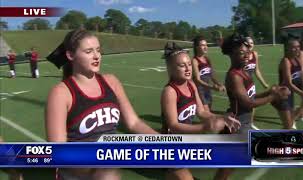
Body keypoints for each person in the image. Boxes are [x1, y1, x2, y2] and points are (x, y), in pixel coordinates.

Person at [45, 29, 158, 180]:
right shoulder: (61, 93)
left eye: (98, 50)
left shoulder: (111, 82)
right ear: (70, 55)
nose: (96, 56)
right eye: (89, 51)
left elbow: (134, 123)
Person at [161, 42, 240, 180]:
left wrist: (221, 118)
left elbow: (202, 112)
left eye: (189, 64)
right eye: (182, 65)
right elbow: (173, 126)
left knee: (233, 157)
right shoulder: (170, 91)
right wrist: (204, 127)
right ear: (171, 68)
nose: (187, 68)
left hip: (189, 139)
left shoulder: (191, 84)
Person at [216, 34, 290, 180]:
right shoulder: (234, 76)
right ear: (231, 54)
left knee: (230, 165)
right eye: (241, 53)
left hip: (244, 123)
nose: (246, 56)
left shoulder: (243, 72)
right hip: (237, 124)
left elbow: (250, 97)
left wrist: (269, 92)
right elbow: (247, 103)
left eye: (247, 52)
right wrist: (273, 97)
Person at [273, 35, 303, 129]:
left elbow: (300, 81)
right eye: (293, 47)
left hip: (291, 93)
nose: (297, 49)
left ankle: (293, 121)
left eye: (298, 47)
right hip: (283, 95)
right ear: (287, 48)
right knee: (288, 126)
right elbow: (289, 83)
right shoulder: (286, 61)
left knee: (289, 124)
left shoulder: (297, 59)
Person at [192, 36, 226, 113]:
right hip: (199, 90)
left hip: (207, 89)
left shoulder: (207, 59)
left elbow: (212, 75)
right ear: (197, 47)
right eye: (203, 45)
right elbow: (197, 80)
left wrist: (219, 84)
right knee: (207, 113)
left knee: (209, 112)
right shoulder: (195, 61)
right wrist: (212, 87)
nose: (206, 47)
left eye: (206, 45)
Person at [244, 37, 269, 130]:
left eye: (252, 43)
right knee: (242, 105)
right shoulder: (241, 55)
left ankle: (250, 123)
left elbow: (256, 70)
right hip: (241, 84)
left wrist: (264, 83)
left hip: (251, 84)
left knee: (252, 104)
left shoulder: (255, 54)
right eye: (248, 43)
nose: (250, 44)